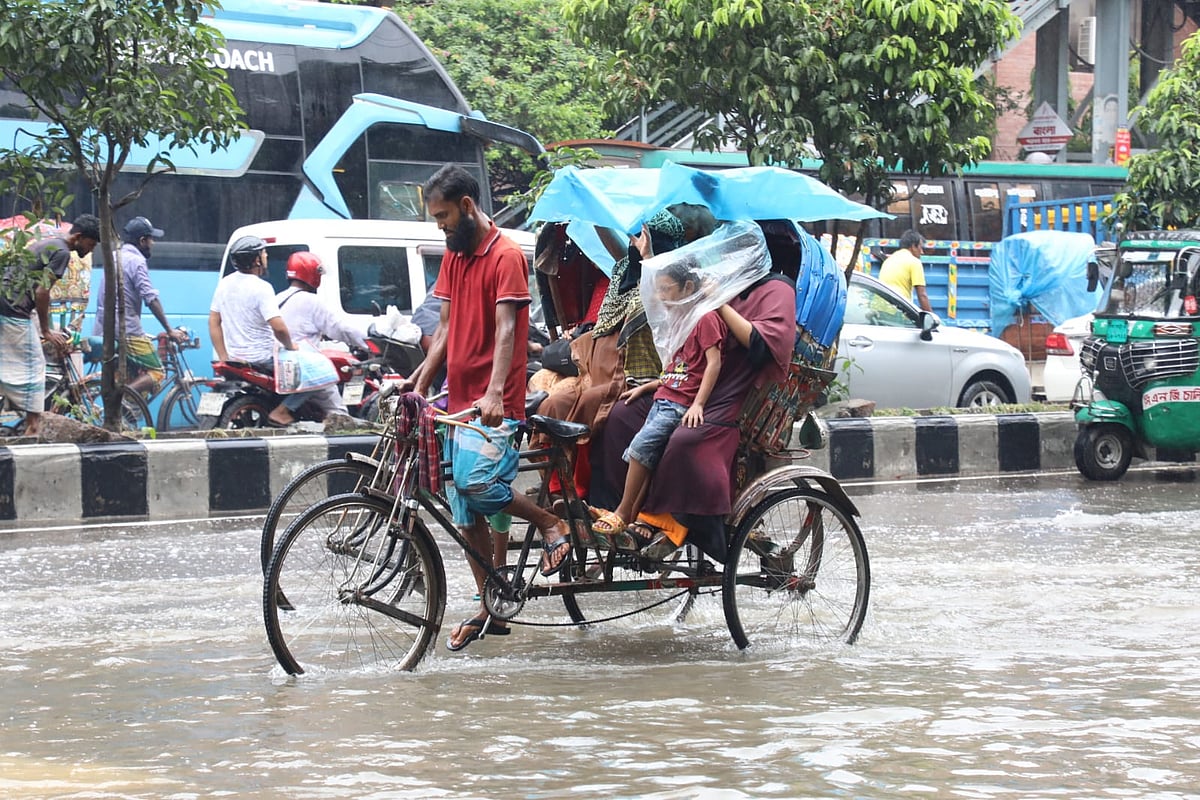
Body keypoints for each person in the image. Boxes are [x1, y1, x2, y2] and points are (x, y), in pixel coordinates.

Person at [406, 164, 570, 652]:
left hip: (498, 403)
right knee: (464, 512)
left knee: (477, 484)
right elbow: (444, 328)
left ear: (467, 207)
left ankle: (549, 522)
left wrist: (496, 390)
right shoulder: (454, 255)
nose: (440, 226)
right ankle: (489, 605)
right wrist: (421, 380)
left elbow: (506, 329)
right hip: (460, 400)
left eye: (443, 217)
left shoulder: (505, 255)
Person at [594, 269, 797, 562]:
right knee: (621, 418)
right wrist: (654, 385)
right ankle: (626, 510)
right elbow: (682, 365)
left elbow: (750, 349)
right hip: (674, 389)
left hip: (726, 393)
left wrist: (718, 300)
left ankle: (650, 517)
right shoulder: (690, 310)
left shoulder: (769, 291)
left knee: (677, 442)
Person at [591, 258, 726, 548]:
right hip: (664, 396)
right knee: (645, 455)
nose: (661, 296)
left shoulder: (705, 318)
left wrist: (698, 404)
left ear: (687, 287)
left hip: (679, 404)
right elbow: (678, 368)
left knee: (640, 448)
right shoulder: (681, 319)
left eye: (666, 289)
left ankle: (622, 511)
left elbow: (713, 363)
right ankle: (630, 516)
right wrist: (650, 386)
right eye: (659, 289)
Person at [0, 214, 101, 434]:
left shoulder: (49, 243)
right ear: (78, 237)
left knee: (8, 365)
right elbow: (42, 291)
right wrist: (46, 331)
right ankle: (33, 426)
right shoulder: (62, 252)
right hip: (13, 311)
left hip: (6, 305)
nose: (91, 250)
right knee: (35, 366)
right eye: (91, 244)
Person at [208, 235, 316, 427]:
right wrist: (290, 346)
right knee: (315, 371)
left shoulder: (225, 283)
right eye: (264, 253)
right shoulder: (262, 288)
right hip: (263, 358)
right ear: (256, 260)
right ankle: (283, 411)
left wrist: (224, 356)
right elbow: (278, 327)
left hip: (235, 358)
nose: (266, 257)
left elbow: (214, 322)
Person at [92, 216, 188, 396]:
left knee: (128, 377)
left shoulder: (114, 256)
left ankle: (125, 407)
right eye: (151, 239)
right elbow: (151, 298)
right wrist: (169, 330)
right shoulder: (136, 261)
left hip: (104, 329)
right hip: (126, 331)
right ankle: (120, 397)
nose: (153, 243)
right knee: (158, 372)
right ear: (142, 241)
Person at [275, 251, 368, 420]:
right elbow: (340, 328)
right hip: (301, 364)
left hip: (279, 361)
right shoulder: (311, 301)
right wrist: (368, 342)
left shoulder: (278, 298)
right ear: (312, 274)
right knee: (338, 412)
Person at [878, 229, 932, 312]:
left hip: (878, 308)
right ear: (913, 246)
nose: (922, 252)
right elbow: (922, 295)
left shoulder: (889, 259)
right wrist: (931, 316)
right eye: (920, 248)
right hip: (896, 310)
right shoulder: (914, 262)